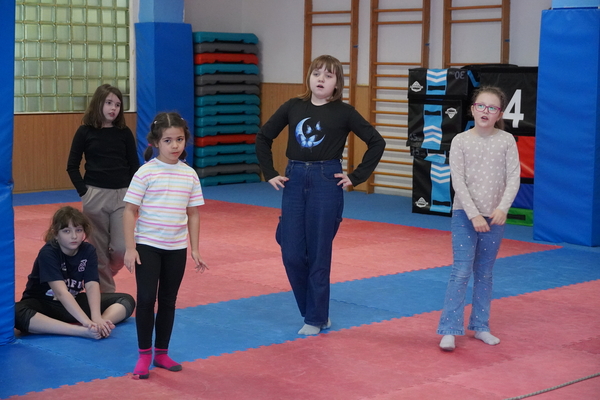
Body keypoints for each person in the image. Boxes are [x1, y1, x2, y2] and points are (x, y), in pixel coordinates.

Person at [255, 55, 386, 336]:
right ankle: (315, 312)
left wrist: (356, 176)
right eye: (317, 74)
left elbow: (376, 142)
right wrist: (270, 171)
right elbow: (264, 137)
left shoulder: (344, 112)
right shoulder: (293, 106)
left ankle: (315, 317)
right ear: (309, 78)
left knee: (318, 253)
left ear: (337, 83)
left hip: (326, 181)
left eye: (328, 75)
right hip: (294, 179)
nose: (321, 79)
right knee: (291, 253)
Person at [123, 112, 208, 380]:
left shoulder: (189, 174)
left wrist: (194, 249)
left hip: (176, 248)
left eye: (179, 139)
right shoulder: (146, 172)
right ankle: (143, 355)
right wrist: (130, 247)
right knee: (146, 299)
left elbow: (193, 213)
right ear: (156, 142)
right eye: (168, 140)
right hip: (148, 246)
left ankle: (161, 353)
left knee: (168, 301)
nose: (175, 145)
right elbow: (129, 210)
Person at [437, 86, 521, 351]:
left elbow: (514, 177)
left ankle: (481, 325)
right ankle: (449, 328)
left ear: (499, 114)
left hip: (494, 217)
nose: (486, 111)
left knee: (484, 272)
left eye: (492, 108)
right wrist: (473, 214)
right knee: (461, 271)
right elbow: (458, 181)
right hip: (465, 214)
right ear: (472, 109)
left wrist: (503, 208)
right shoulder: (461, 140)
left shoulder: (506, 140)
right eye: (481, 106)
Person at [14, 206, 135, 339]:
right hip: (44, 305)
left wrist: (96, 318)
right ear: (56, 234)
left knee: (125, 300)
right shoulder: (48, 253)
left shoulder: (88, 250)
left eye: (78, 230)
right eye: (66, 231)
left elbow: (92, 285)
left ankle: (101, 326)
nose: (74, 236)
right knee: (15, 312)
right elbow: (61, 293)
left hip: (74, 303)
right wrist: (85, 322)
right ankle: (78, 330)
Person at [67, 84, 140, 293]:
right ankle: (107, 295)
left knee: (121, 249)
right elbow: (72, 166)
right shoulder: (84, 132)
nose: (113, 108)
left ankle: (108, 271)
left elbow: (134, 166)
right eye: (109, 103)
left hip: (122, 196)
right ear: (98, 103)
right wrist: (84, 192)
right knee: (98, 251)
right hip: (94, 195)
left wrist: (135, 195)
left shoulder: (124, 133)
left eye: (117, 104)